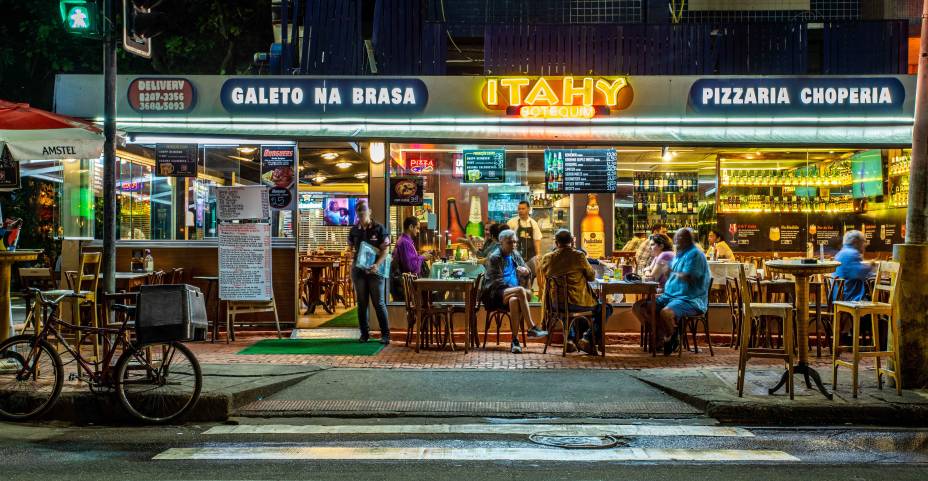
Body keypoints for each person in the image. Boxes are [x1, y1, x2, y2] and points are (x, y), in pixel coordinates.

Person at [538, 229, 612, 355]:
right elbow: (591, 277)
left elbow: (544, 275)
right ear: (572, 242)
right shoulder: (578, 256)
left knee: (567, 307)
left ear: (556, 243)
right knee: (606, 308)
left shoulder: (547, 258)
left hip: (555, 304)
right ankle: (587, 339)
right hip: (577, 302)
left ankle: (570, 340)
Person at [482, 229, 548, 354]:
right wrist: (514, 288)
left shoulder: (515, 254)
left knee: (514, 300)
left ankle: (515, 341)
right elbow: (496, 283)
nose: (513, 245)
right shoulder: (495, 257)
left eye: (515, 242)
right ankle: (532, 327)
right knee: (520, 290)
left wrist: (526, 272)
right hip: (495, 294)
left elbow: (527, 270)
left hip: (512, 295)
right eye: (510, 242)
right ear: (501, 242)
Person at [654, 228, 711, 355]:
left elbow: (689, 276)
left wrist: (672, 273)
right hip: (670, 296)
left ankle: (671, 337)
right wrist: (667, 271)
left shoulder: (695, 255)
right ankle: (671, 332)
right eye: (676, 239)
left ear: (688, 240)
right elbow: (669, 272)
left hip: (690, 299)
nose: (676, 241)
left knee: (666, 313)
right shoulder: (679, 255)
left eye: (680, 239)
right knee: (643, 307)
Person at [347, 201, 392, 344]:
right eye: (359, 212)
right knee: (362, 303)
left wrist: (377, 265)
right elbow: (349, 248)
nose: (361, 214)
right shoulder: (354, 230)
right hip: (359, 271)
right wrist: (350, 255)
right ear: (356, 213)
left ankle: (385, 335)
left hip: (375, 271)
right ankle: (364, 334)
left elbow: (386, 250)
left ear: (369, 212)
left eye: (364, 211)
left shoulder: (379, 229)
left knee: (378, 303)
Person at [631, 234, 675, 329]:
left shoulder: (665, 255)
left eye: (652, 245)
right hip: (663, 292)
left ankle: (662, 331)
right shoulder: (658, 256)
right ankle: (657, 331)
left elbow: (652, 279)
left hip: (670, 295)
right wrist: (648, 271)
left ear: (661, 246)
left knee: (638, 307)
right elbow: (648, 270)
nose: (650, 248)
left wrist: (647, 271)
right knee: (638, 306)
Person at [391, 216, 430, 301]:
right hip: (409, 286)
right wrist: (423, 257)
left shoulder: (405, 240)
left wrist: (420, 257)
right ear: (411, 227)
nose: (418, 231)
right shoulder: (405, 242)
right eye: (417, 228)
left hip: (409, 284)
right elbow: (411, 267)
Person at [833, 230, 874, 302]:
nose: (865, 245)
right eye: (863, 242)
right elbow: (861, 274)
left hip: (838, 297)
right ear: (856, 242)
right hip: (850, 298)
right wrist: (871, 266)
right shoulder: (852, 254)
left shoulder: (841, 253)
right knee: (875, 301)